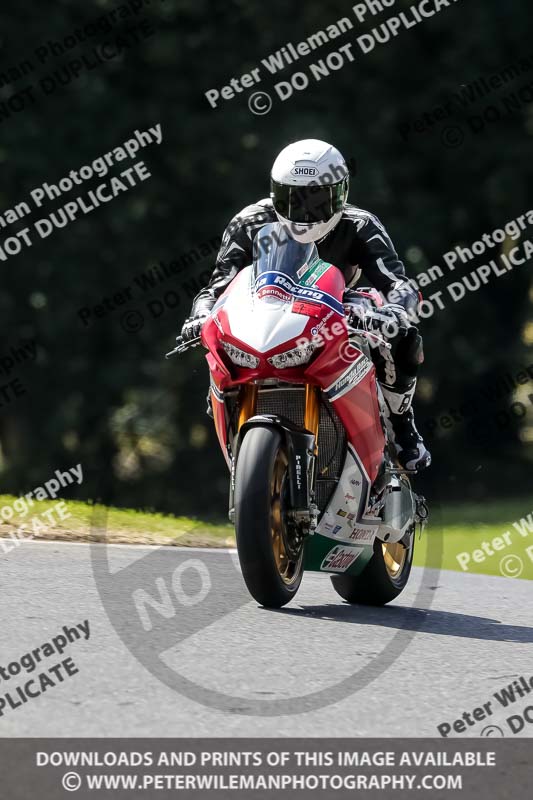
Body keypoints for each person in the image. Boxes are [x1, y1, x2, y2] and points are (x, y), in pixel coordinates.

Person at [180, 139, 430, 471]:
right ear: (275, 193)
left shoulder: (360, 224)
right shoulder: (250, 222)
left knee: (405, 336)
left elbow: (397, 283)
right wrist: (199, 316)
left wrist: (395, 310)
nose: (303, 212)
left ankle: (401, 424)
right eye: (292, 198)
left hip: (339, 309)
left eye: (315, 200)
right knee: (216, 333)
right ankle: (227, 401)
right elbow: (216, 287)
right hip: (263, 312)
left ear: (340, 194)